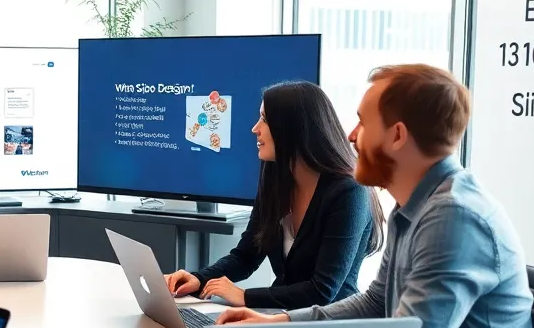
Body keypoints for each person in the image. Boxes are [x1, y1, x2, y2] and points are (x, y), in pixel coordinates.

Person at [215, 64, 533, 328]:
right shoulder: (414, 206)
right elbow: (376, 301)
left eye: (362, 124)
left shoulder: (454, 219)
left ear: (397, 136)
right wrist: (279, 326)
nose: (350, 136)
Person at [165, 81, 384, 310]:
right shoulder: (276, 180)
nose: (255, 128)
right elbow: (246, 256)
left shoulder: (349, 192)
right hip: (280, 319)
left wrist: (245, 296)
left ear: (294, 128)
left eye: (265, 120)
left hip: (331, 327)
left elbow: (322, 291)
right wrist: (198, 279)